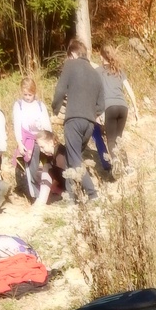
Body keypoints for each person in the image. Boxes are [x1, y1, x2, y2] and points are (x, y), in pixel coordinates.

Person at [51, 38, 104, 202]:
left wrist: (55, 108)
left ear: (73, 54)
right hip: (89, 124)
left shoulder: (70, 65)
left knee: (74, 159)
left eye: (69, 56)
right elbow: (101, 105)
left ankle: (93, 194)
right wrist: (90, 113)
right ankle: (71, 197)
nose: (68, 59)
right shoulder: (96, 73)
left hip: (73, 120)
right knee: (71, 157)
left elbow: (60, 90)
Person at [97, 44, 139, 171]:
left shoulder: (98, 72)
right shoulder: (118, 71)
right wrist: (136, 109)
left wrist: (98, 112)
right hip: (123, 107)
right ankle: (127, 166)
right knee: (119, 138)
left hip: (110, 107)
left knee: (111, 139)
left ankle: (115, 161)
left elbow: (95, 92)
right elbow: (130, 90)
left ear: (101, 56)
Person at [27, 130, 67, 207]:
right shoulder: (51, 153)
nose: (41, 150)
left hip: (68, 183)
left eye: (42, 147)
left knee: (47, 167)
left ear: (51, 142)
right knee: (39, 172)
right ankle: (48, 196)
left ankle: (42, 200)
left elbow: (65, 174)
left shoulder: (60, 154)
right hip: (62, 182)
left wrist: (53, 185)